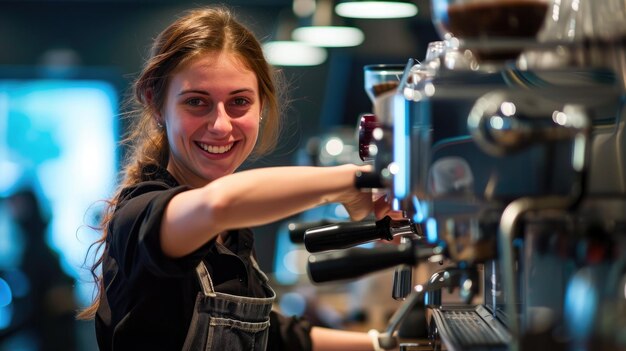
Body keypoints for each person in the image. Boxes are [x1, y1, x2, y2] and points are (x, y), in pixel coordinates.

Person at [78, 5, 397, 351]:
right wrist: (351, 183)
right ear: (157, 105)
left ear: (262, 107)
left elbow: (266, 334)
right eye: (197, 102)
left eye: (239, 102)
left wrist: (385, 346)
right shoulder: (139, 215)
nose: (220, 125)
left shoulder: (233, 232)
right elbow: (219, 204)